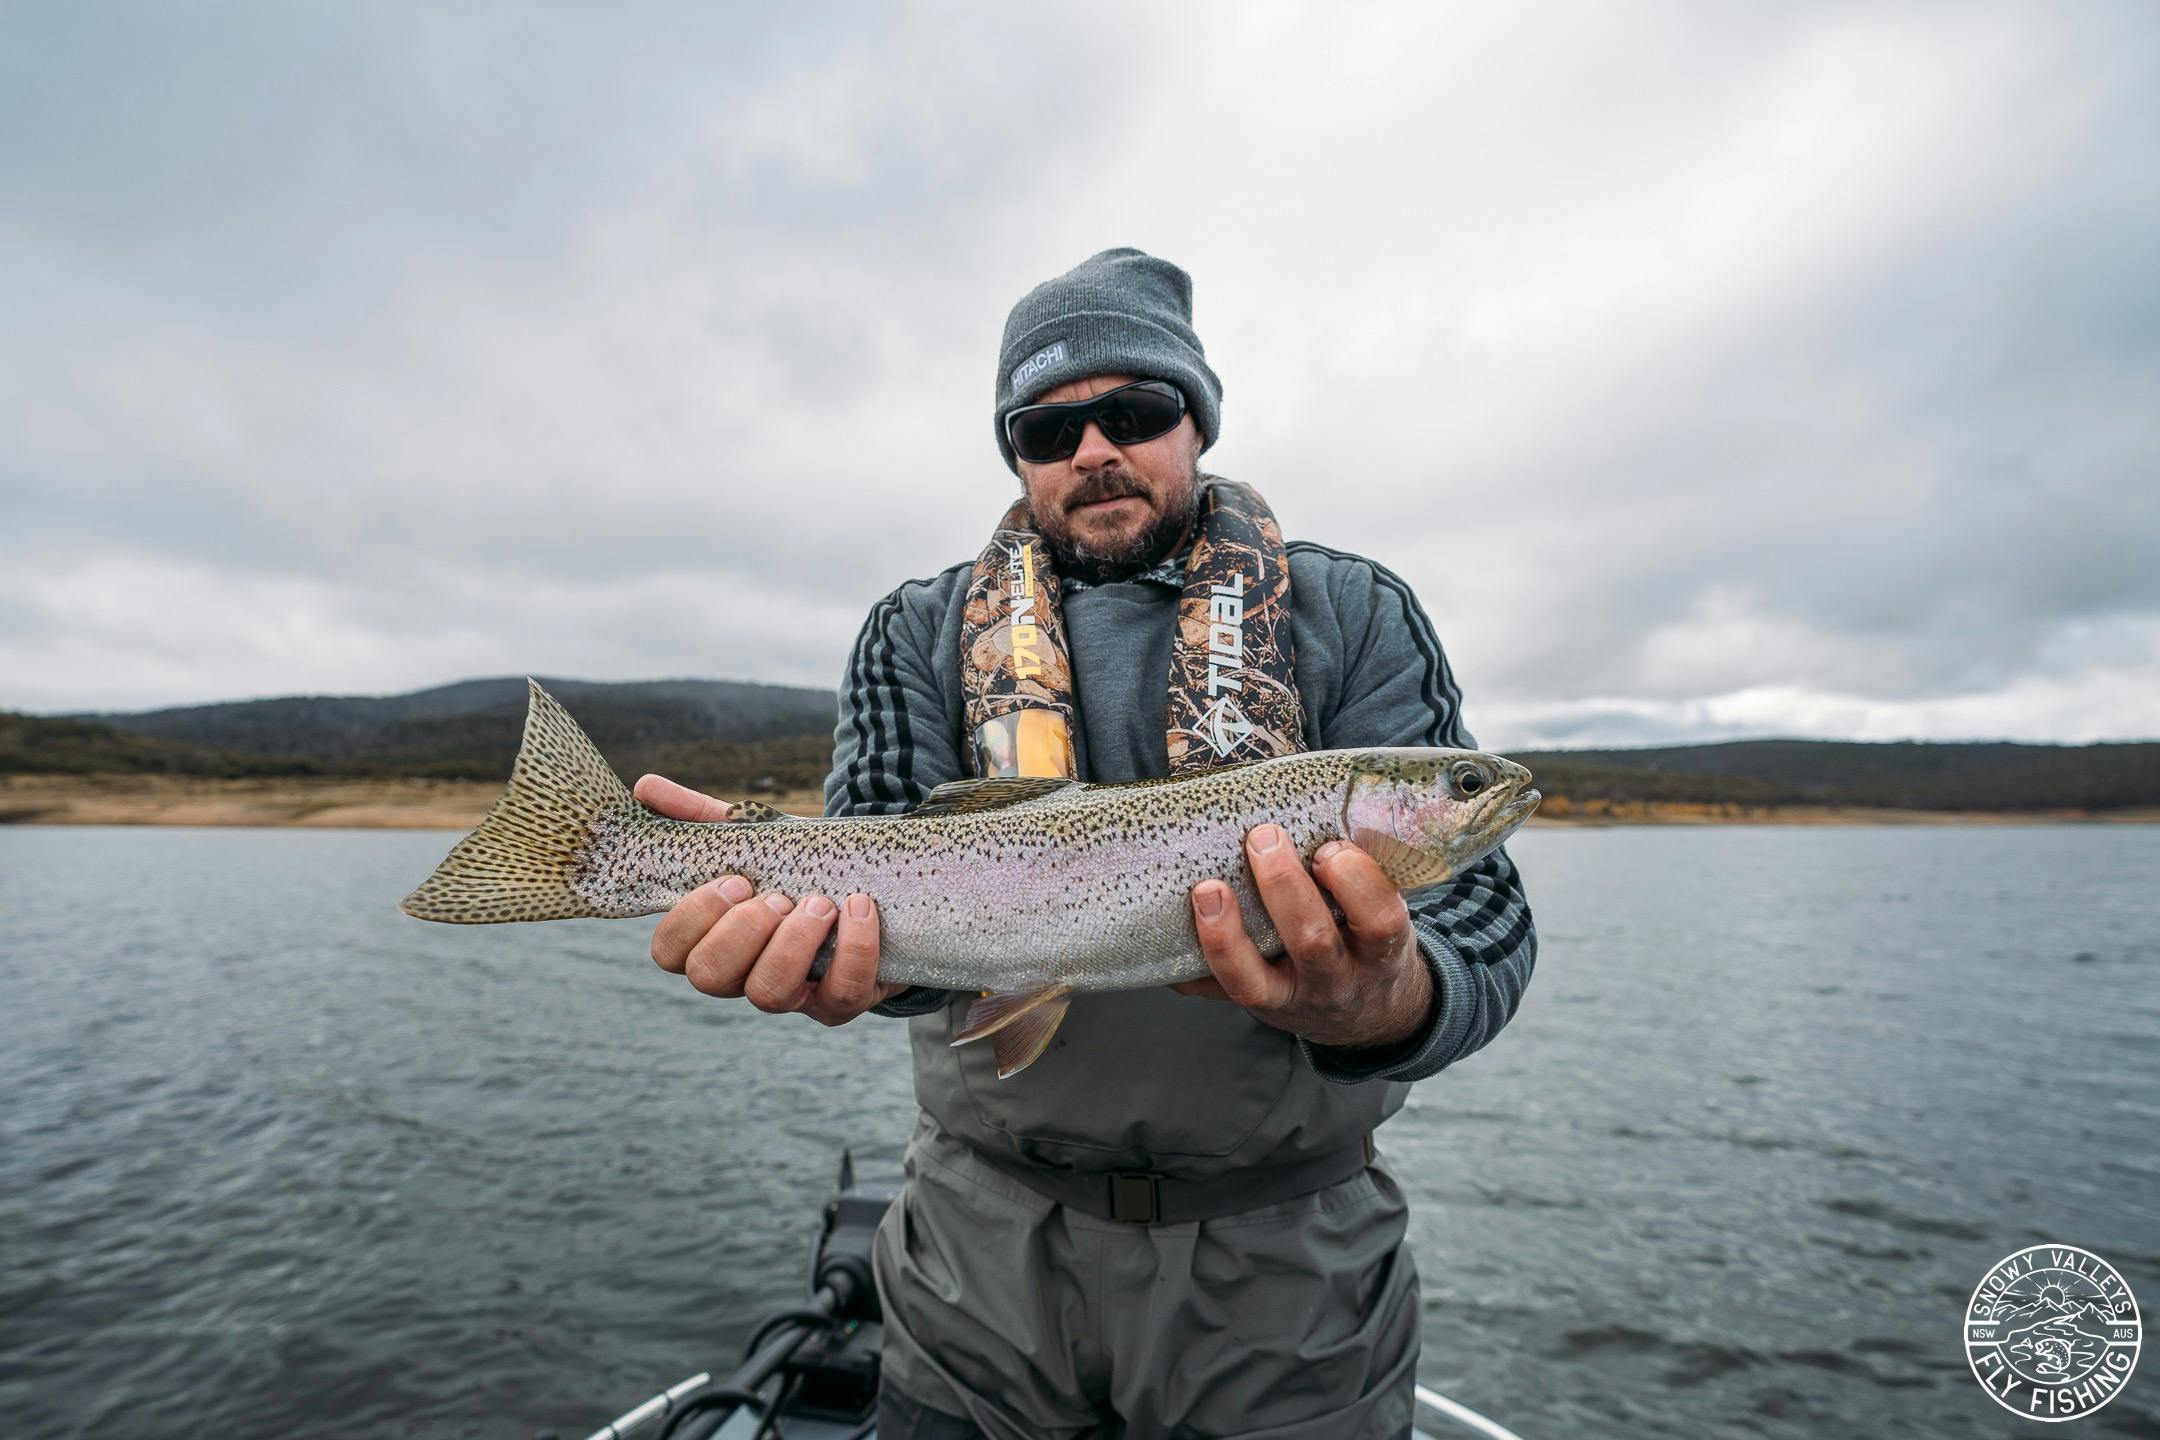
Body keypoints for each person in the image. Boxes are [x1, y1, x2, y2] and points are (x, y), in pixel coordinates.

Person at [638, 249, 1538, 1440]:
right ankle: (600, 858)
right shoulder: (914, 628)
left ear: (1196, 422)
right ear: (1015, 452)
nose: (1094, 448)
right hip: (977, 1256)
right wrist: (837, 956)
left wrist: (1382, 999)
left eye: (1135, 412)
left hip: (1288, 1272)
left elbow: (1486, 933)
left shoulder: (1356, 611)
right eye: (1048, 428)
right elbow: (875, 890)